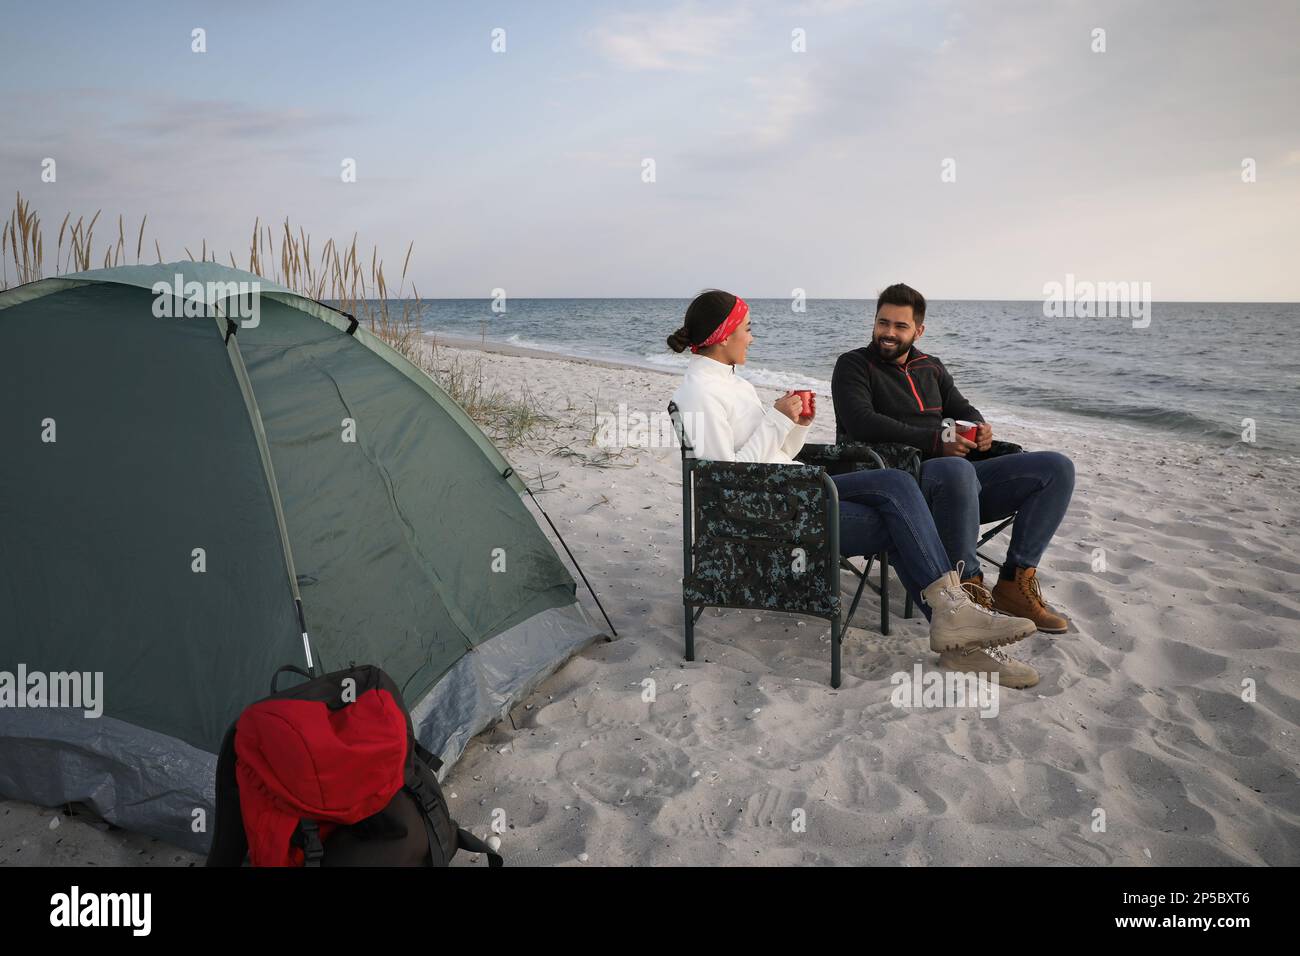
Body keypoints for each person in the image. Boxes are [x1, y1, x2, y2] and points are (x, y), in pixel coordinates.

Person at [668, 289, 1041, 687]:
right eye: (747, 328)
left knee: (897, 490)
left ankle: (958, 632)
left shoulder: (732, 383)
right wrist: (775, 421)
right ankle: (960, 635)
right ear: (724, 336)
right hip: (765, 514)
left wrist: (796, 425)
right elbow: (725, 482)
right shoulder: (698, 394)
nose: (752, 337)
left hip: (789, 492)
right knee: (897, 507)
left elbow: (777, 452)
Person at [831, 282, 1075, 633]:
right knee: (953, 467)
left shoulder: (932, 366)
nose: (888, 333)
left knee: (1056, 467)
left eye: (900, 326)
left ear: (919, 330)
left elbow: (962, 409)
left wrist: (981, 428)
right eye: (882, 323)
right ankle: (969, 590)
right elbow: (861, 422)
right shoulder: (853, 365)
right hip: (899, 486)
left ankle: (1014, 584)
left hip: (958, 485)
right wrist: (936, 440)